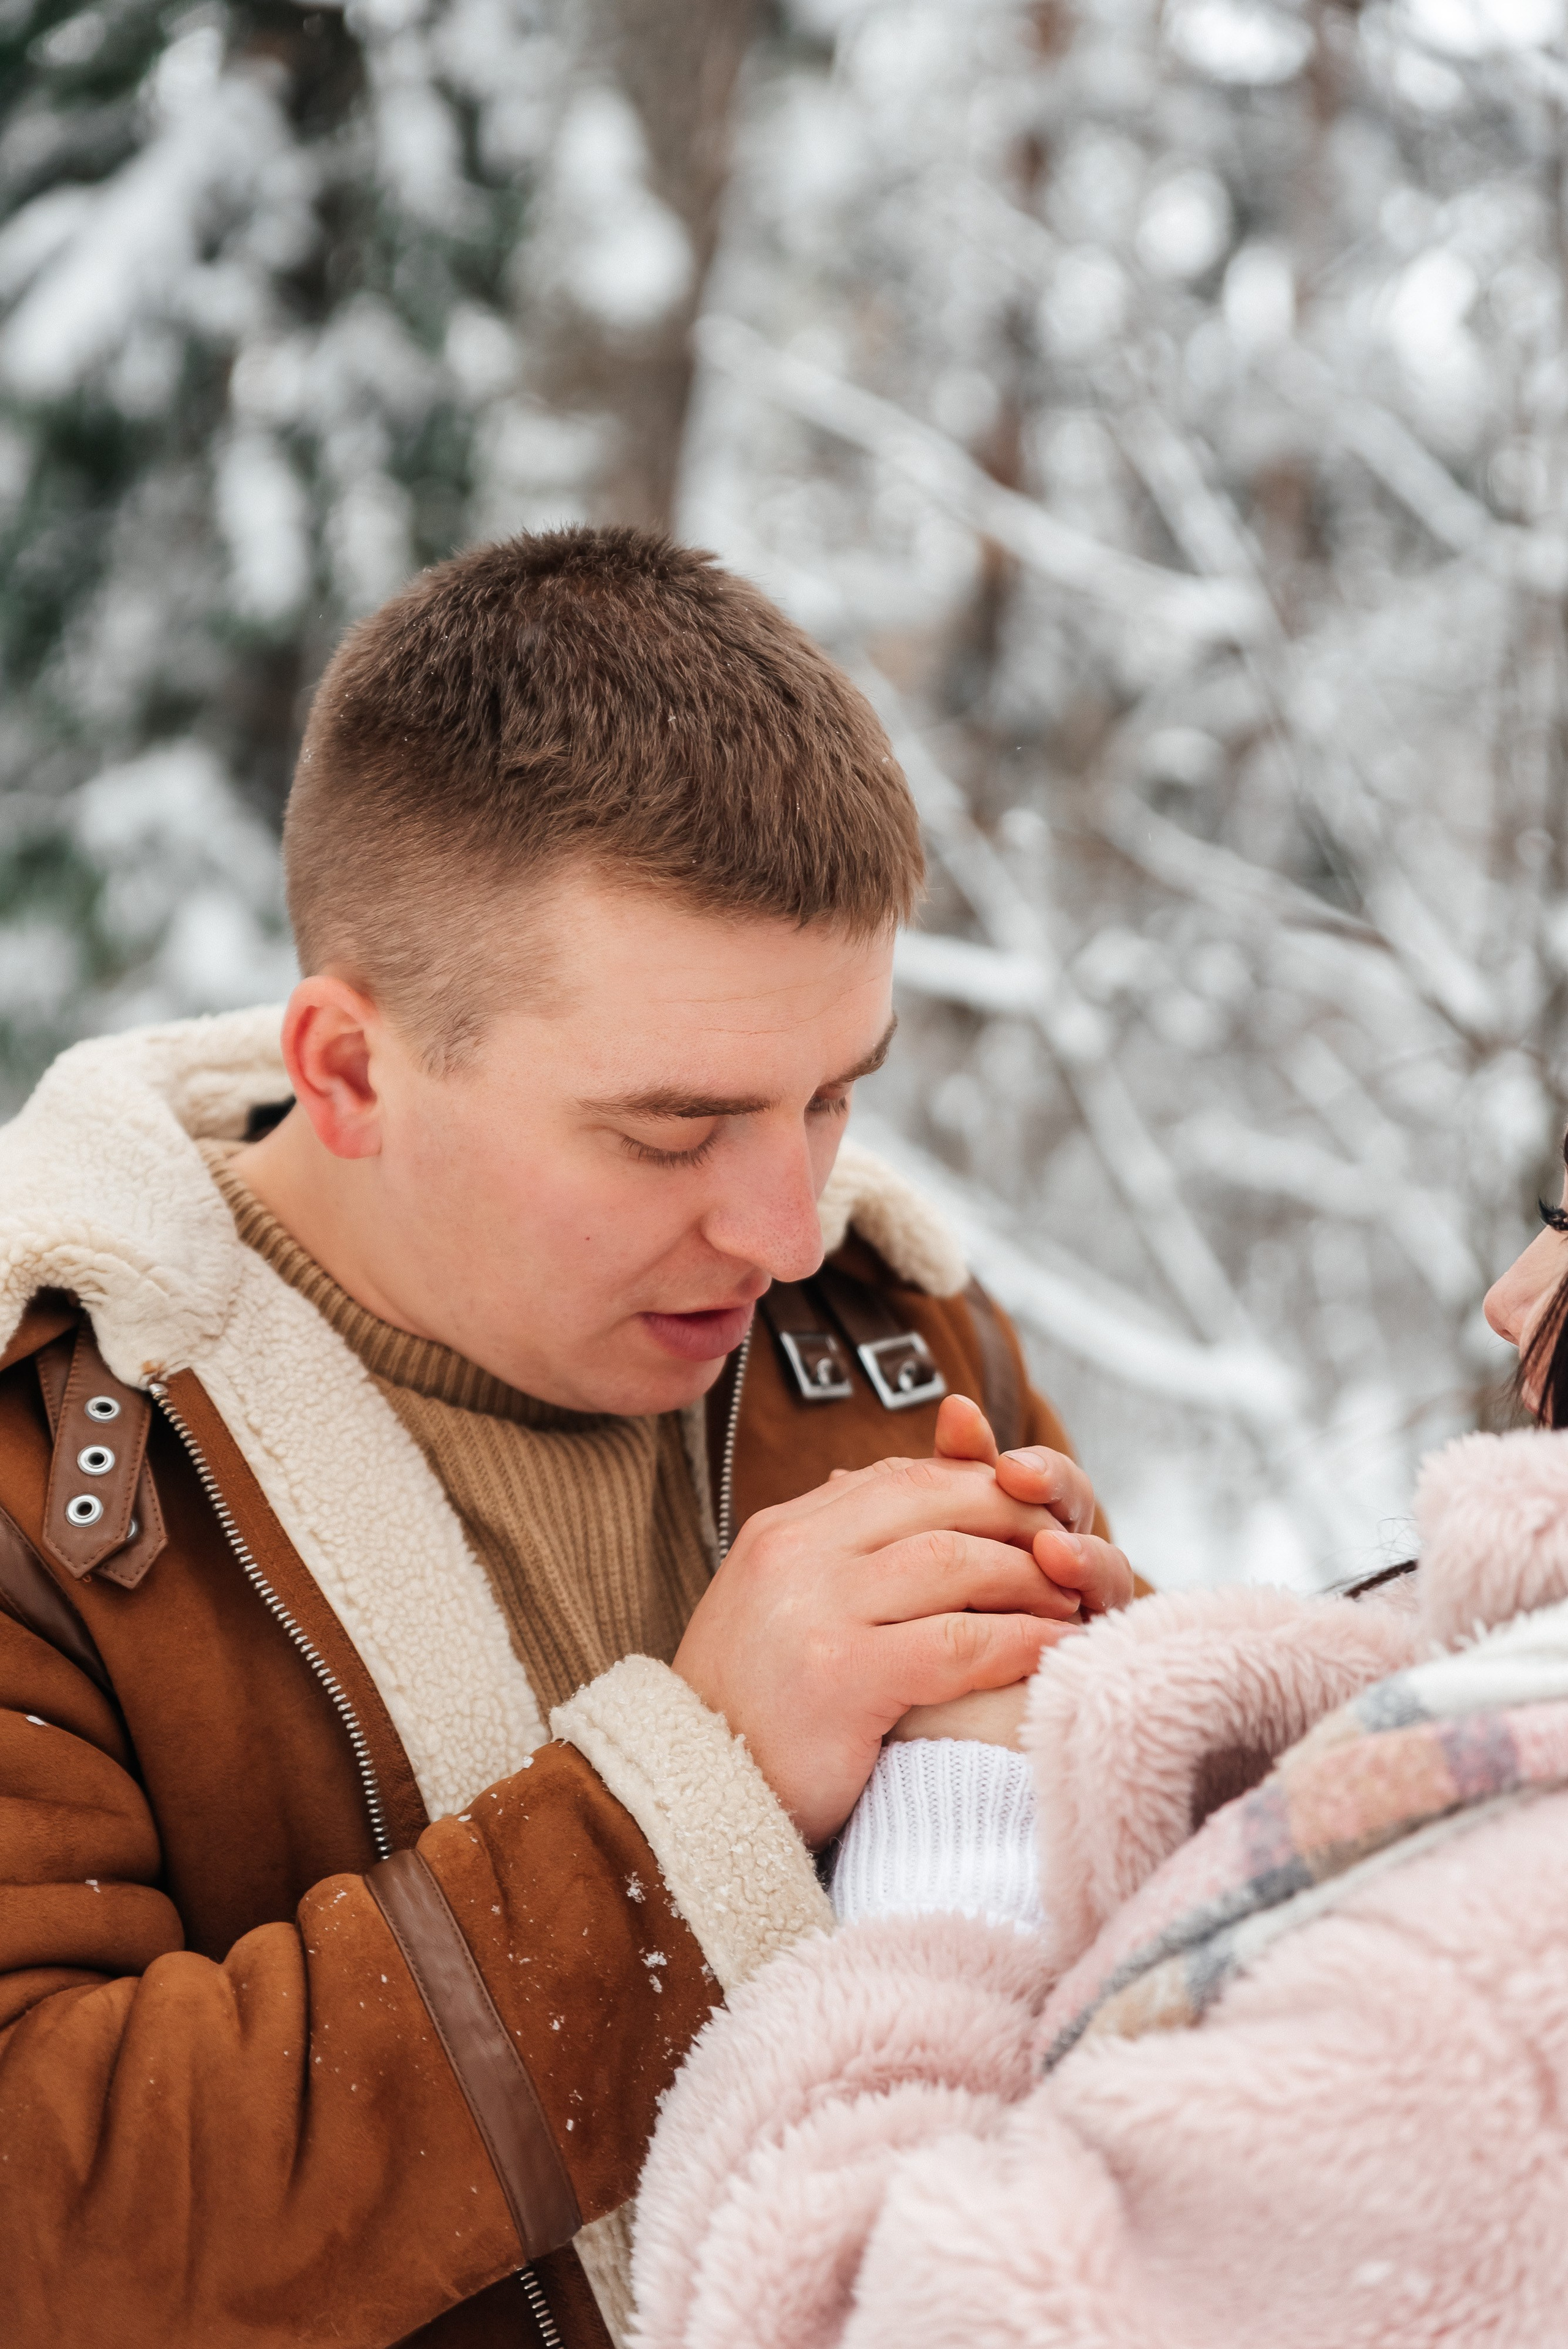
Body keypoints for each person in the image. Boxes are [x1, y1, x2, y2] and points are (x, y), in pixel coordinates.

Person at [0, 527, 1133, 2349]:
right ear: (354, 1070)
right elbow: (51, 2228)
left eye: (834, 1092)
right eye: (673, 1132)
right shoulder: (49, 1482)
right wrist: (690, 1799)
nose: (786, 1224)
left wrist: (1124, 1736)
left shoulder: (896, 1336)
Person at [630, 1147, 1568, 2348]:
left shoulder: (1501, 1978)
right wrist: (1149, 1736)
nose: (1505, 1296)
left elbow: (870, 2312)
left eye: (1565, 1215)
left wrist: (950, 1855)